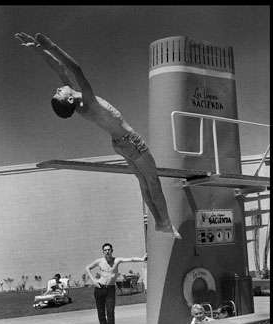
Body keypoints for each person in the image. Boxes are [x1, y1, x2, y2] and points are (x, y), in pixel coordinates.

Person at [14, 32, 180, 238]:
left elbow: (60, 69)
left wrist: (38, 50)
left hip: (119, 144)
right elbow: (75, 69)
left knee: (143, 183)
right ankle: (166, 223)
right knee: (153, 181)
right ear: (68, 101)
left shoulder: (79, 102)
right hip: (132, 142)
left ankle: (160, 223)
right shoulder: (87, 100)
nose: (58, 88)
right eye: (58, 93)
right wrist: (52, 45)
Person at [85, 243, 147, 324]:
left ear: (112, 250)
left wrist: (141, 259)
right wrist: (93, 281)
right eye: (105, 250)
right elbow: (87, 268)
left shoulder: (116, 260)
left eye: (109, 249)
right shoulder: (99, 261)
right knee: (101, 313)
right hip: (99, 288)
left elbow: (130, 259)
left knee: (110, 311)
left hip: (110, 289)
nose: (107, 251)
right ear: (103, 251)